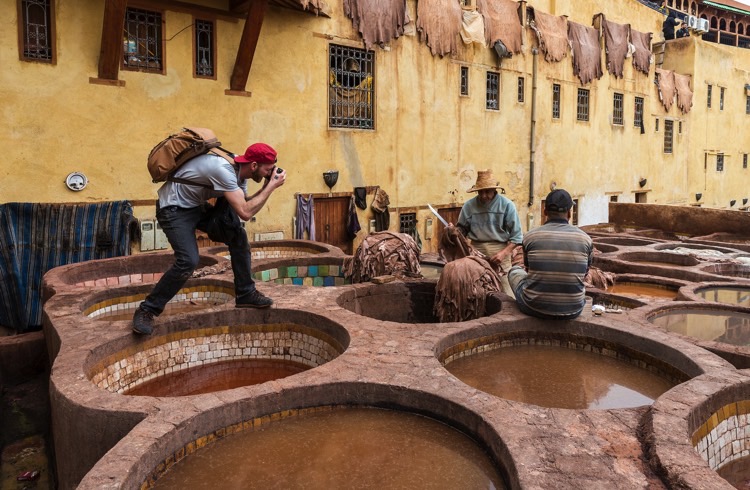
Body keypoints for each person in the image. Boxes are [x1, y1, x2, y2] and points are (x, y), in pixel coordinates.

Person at [132, 142, 287, 335]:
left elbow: (244, 205)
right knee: (188, 260)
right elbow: (246, 212)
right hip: (172, 209)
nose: (270, 173)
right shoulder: (222, 169)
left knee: (238, 236)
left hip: (195, 207)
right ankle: (147, 310)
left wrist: (266, 186)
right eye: (268, 170)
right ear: (254, 165)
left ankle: (246, 294)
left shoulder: (241, 174)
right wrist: (271, 187)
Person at [507, 189, 593, 320]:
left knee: (514, 271)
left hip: (533, 307)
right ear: (569, 213)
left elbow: (529, 270)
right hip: (574, 309)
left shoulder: (530, 237)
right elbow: (585, 274)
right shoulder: (586, 239)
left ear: (545, 212)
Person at [455, 169, 523, 297]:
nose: (483, 195)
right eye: (480, 192)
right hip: (476, 250)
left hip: (500, 250)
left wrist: (503, 254)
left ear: (494, 190)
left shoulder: (507, 205)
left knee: (505, 291)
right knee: (476, 289)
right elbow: (462, 229)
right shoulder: (469, 206)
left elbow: (517, 237)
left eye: (487, 192)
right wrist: (455, 231)